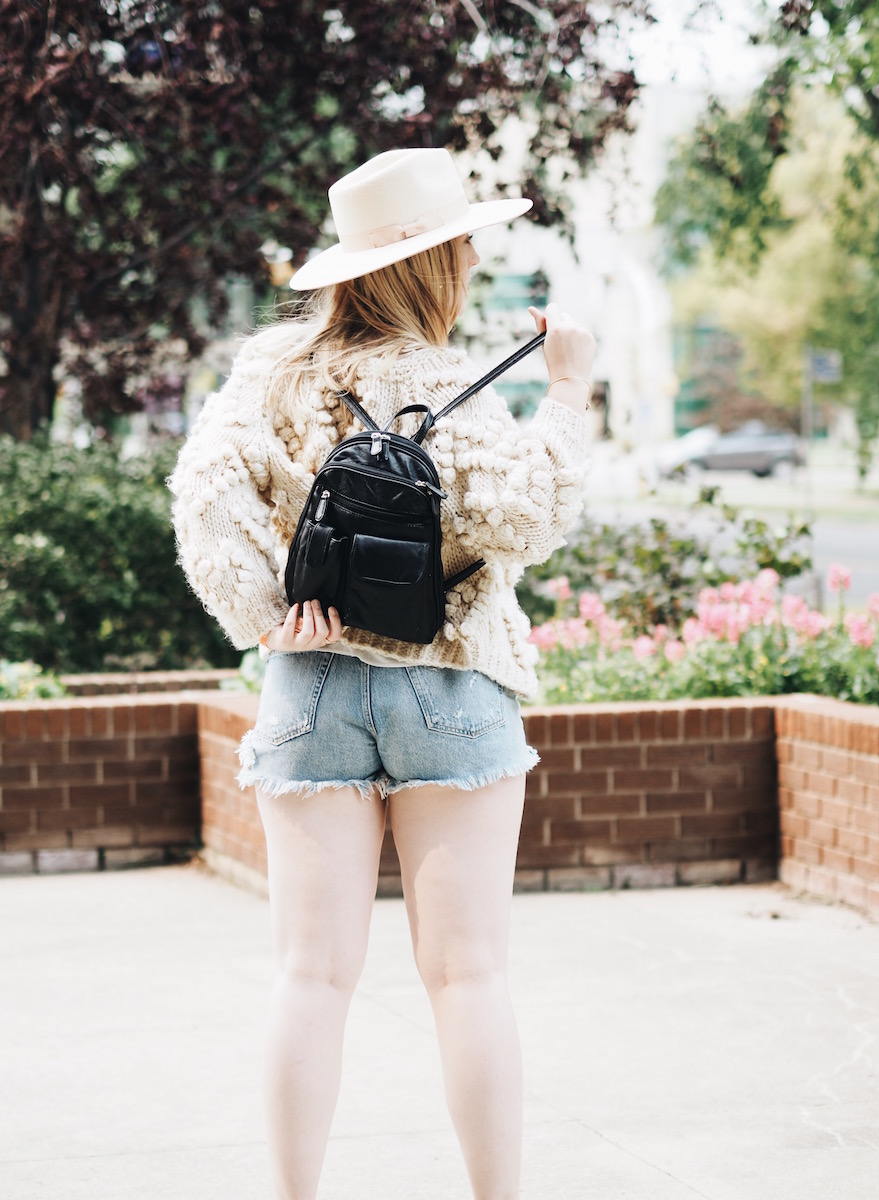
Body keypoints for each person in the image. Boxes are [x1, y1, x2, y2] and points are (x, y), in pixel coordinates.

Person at [170, 146, 594, 1200]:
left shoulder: (271, 376)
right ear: (441, 263)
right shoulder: (454, 383)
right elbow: (531, 514)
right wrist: (572, 388)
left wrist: (272, 617)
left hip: (311, 688)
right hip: (452, 683)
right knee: (469, 976)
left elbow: (201, 497)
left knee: (309, 976)